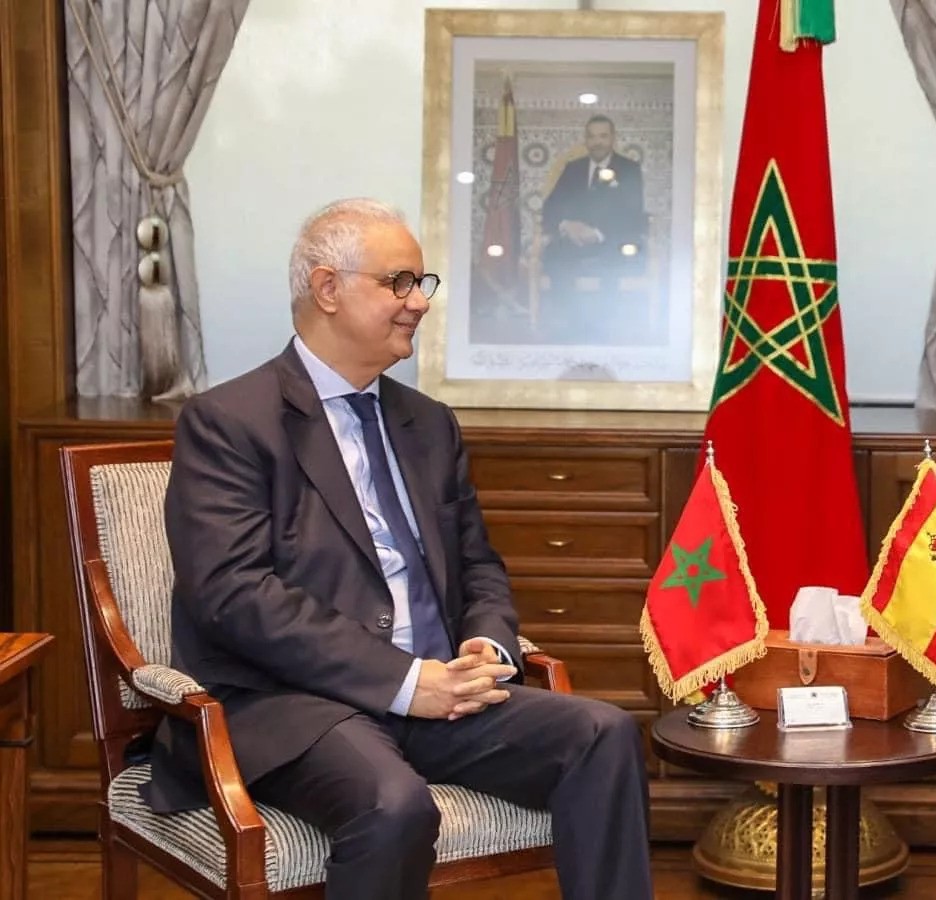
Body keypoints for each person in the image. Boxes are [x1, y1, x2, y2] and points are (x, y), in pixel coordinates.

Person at [147, 198, 654, 900]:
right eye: (399, 283)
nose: (419, 301)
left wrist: (486, 644)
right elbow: (234, 596)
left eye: (423, 283)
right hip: (296, 705)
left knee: (604, 734)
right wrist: (405, 681)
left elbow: (477, 563)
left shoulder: (428, 424)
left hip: (442, 691)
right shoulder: (230, 422)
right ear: (328, 289)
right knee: (394, 805)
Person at [539, 113, 648, 293]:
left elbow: (632, 212)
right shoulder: (573, 168)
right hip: (574, 243)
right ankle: (567, 311)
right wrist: (566, 225)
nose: (597, 142)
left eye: (603, 136)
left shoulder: (629, 169)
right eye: (592, 136)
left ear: (613, 138)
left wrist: (597, 234)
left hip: (611, 241)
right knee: (555, 257)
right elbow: (550, 207)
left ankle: (606, 312)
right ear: (586, 140)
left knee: (613, 264)